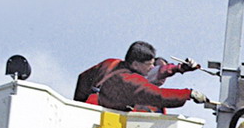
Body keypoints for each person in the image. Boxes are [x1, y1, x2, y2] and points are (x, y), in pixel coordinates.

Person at [74, 41, 205, 112]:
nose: (152, 68)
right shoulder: (128, 80)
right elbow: (158, 95)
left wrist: (180, 68)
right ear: (136, 64)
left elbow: (83, 79)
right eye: (149, 64)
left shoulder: (111, 63)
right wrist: (188, 93)